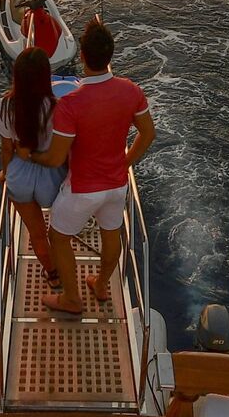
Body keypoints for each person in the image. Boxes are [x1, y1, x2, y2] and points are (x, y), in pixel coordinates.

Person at [18, 18, 155, 316]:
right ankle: (101, 283)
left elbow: (55, 159)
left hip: (82, 189)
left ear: (82, 56)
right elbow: (148, 133)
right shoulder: (132, 90)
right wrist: (126, 160)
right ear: (111, 56)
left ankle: (71, 298)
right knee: (111, 234)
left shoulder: (71, 105)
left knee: (59, 236)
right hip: (117, 185)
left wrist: (30, 157)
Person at [0, 47, 67, 281]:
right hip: (52, 175)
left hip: (20, 176)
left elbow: (7, 149)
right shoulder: (57, 107)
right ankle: (67, 269)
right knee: (58, 231)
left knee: (36, 233)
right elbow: (64, 147)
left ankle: (53, 274)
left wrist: (6, 173)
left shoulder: (4, 106)